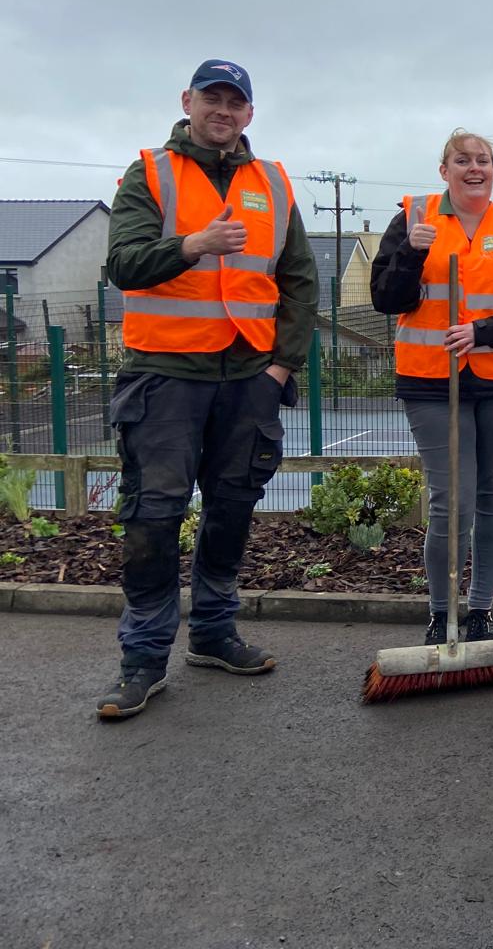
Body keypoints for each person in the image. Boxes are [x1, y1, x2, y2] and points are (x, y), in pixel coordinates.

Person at [97, 59, 318, 720]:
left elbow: (300, 279)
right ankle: (142, 658)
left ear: (249, 113)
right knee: (153, 516)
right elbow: (124, 264)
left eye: (235, 102)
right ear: (188, 101)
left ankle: (215, 633)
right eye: (212, 98)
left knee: (232, 506)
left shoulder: (272, 183)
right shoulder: (151, 173)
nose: (223, 110)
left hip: (248, 377)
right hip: (166, 376)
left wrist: (281, 366)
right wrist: (193, 244)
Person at [369, 129, 493, 648]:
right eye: (462, 160)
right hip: (431, 379)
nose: (475, 168)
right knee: (453, 499)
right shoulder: (414, 219)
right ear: (443, 169)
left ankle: (481, 611)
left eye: (484, 161)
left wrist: (483, 332)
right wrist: (410, 253)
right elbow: (386, 298)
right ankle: (441, 612)